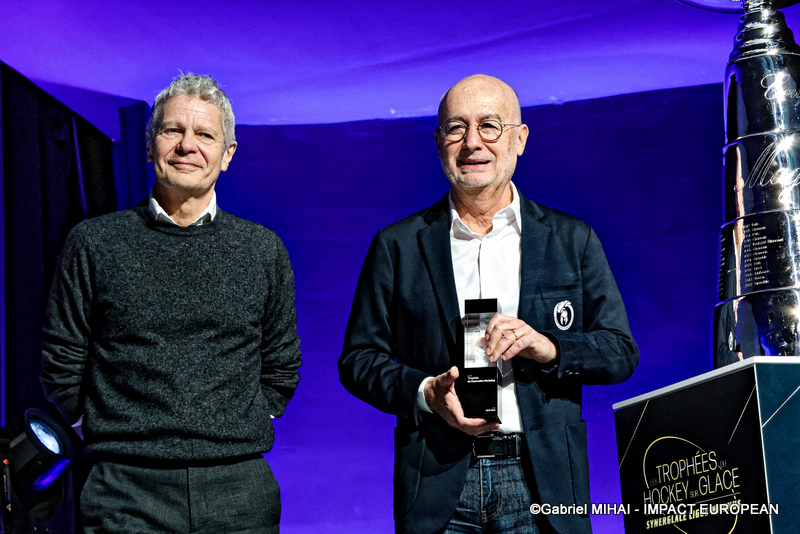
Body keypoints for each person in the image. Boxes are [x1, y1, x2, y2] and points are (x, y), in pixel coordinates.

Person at [338, 74, 638, 534]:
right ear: (438, 142)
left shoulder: (571, 239)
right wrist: (426, 393)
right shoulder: (397, 246)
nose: (472, 142)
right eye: (457, 128)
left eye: (490, 126)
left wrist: (550, 348)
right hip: (436, 484)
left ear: (520, 139)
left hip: (543, 486)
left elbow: (619, 352)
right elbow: (359, 360)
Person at [40, 73, 301, 534]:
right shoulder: (94, 243)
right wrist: (102, 427)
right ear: (149, 145)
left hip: (238, 488)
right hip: (125, 489)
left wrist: (233, 425)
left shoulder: (262, 250)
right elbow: (62, 358)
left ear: (227, 154)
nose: (186, 145)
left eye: (205, 135)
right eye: (172, 130)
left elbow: (281, 363)